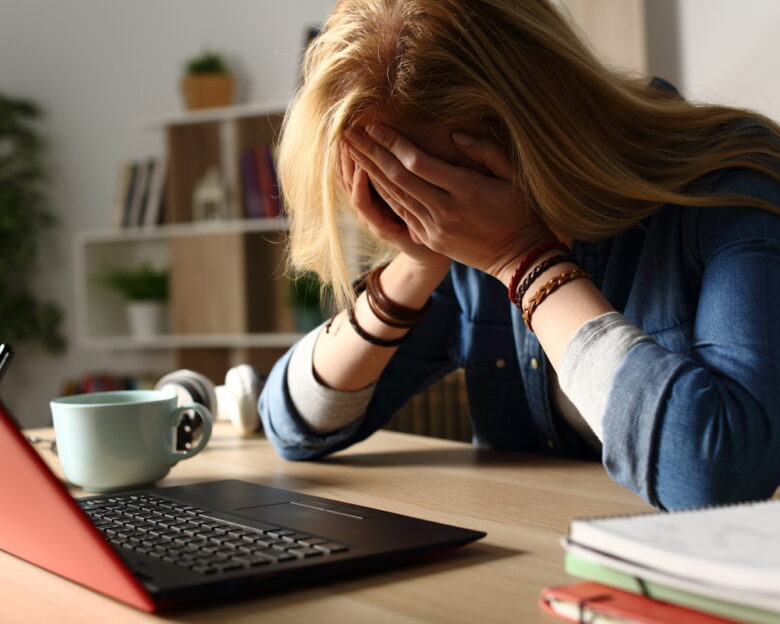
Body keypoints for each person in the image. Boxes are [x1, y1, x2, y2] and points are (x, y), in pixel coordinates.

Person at [258, 0, 780, 511]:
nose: (431, 211)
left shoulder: (731, 177)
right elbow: (293, 424)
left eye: (438, 184)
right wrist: (417, 264)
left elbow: (719, 474)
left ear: (539, 119)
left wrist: (522, 259)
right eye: (396, 188)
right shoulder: (458, 240)